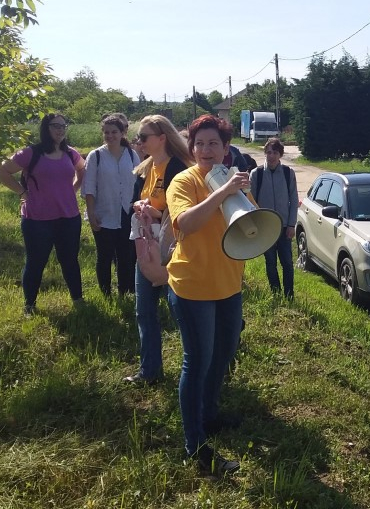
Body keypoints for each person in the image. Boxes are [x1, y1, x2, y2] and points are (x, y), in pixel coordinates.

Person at [165, 114, 248, 477]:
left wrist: (236, 190)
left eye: (213, 143)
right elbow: (186, 223)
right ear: (192, 148)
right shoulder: (184, 181)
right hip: (193, 287)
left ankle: (209, 415)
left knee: (223, 354)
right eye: (199, 144)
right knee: (197, 362)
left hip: (228, 285)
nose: (205, 150)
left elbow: (250, 225)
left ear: (226, 148)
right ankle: (195, 446)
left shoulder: (233, 179)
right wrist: (223, 192)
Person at [0, 114, 85, 316]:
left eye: (63, 126)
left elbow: (82, 170)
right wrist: (22, 192)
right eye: (55, 126)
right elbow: (1, 172)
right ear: (46, 128)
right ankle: (30, 305)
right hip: (37, 219)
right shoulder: (30, 153)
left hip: (68, 217)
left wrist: (73, 189)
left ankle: (78, 300)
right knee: (36, 262)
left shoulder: (70, 153)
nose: (60, 130)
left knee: (70, 260)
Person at [124, 115, 193, 385]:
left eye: (143, 137)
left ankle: (202, 367)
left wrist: (157, 212)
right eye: (138, 137)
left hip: (172, 251)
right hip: (146, 246)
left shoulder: (178, 168)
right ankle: (149, 371)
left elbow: (183, 211)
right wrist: (139, 206)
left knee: (181, 313)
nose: (139, 141)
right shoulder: (147, 167)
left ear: (162, 138)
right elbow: (135, 199)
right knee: (144, 311)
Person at [81, 113, 140, 297]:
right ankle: (105, 293)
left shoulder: (131, 154)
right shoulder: (96, 156)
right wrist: (91, 213)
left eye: (114, 132)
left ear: (122, 133)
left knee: (126, 255)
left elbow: (139, 182)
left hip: (127, 212)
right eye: (106, 132)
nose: (110, 135)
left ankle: (125, 291)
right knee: (104, 256)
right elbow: (89, 187)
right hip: (103, 213)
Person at [250, 137, 298, 299]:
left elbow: (294, 200)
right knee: (270, 263)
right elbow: (251, 203)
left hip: (284, 227)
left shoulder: (288, 173)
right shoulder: (256, 174)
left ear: (280, 155)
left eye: (275, 153)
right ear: (265, 153)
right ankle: (276, 295)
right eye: (268, 152)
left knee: (287, 263)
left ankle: (289, 296)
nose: (271, 156)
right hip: (266, 228)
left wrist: (291, 225)